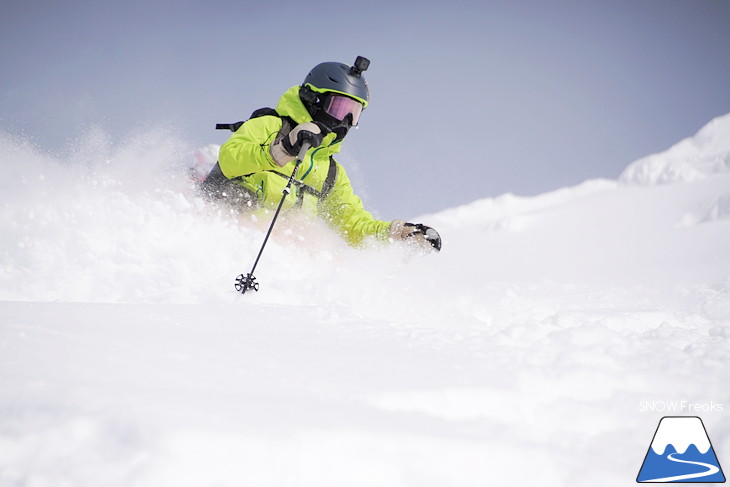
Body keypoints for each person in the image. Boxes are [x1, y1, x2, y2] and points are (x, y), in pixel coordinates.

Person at [201, 56, 441, 252]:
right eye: (339, 108)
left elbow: (353, 224)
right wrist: (284, 148)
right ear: (312, 100)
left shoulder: (330, 171)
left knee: (321, 249)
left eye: (354, 114)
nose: (344, 122)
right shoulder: (270, 126)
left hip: (283, 259)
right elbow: (230, 159)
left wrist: (397, 233)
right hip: (225, 237)